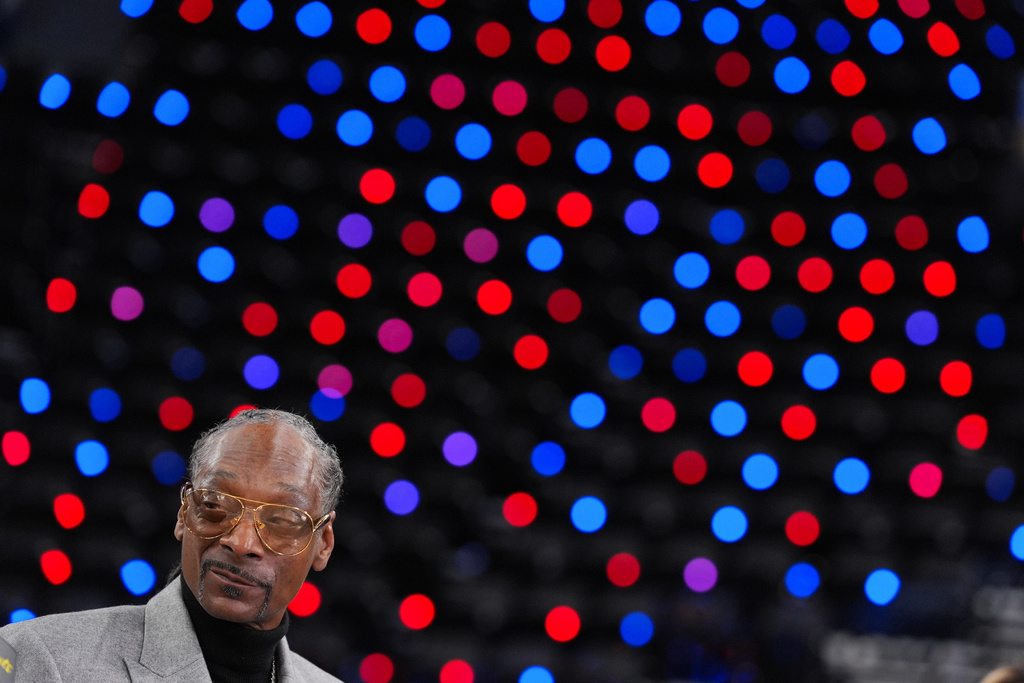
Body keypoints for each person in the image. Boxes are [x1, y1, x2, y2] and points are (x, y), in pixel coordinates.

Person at [0, 408, 346, 682]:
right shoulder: (34, 654)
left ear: (324, 544)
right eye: (214, 504)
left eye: (282, 519)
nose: (240, 542)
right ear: (184, 513)